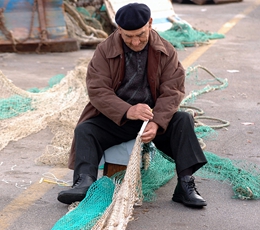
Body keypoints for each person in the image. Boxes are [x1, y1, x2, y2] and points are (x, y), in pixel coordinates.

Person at [57, 3, 208, 208]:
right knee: (86, 129)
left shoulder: (166, 50)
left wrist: (156, 122)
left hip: (151, 118)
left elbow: (173, 90)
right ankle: (84, 182)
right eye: (128, 37)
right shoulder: (104, 51)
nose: (135, 41)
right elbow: (97, 91)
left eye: (140, 35)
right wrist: (127, 110)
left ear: (150, 24)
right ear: (118, 29)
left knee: (183, 120)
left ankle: (185, 184)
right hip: (116, 118)